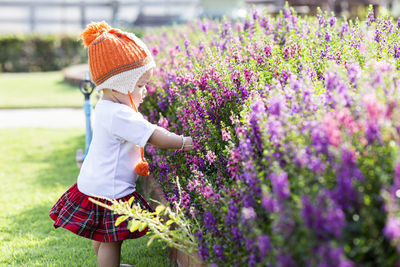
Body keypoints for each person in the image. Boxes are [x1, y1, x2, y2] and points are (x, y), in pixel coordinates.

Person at [49, 21, 193, 267]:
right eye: (139, 86)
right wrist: (183, 141)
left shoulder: (106, 105)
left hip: (94, 183)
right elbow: (154, 134)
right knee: (110, 240)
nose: (144, 91)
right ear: (116, 86)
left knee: (100, 233)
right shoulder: (120, 115)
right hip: (110, 189)